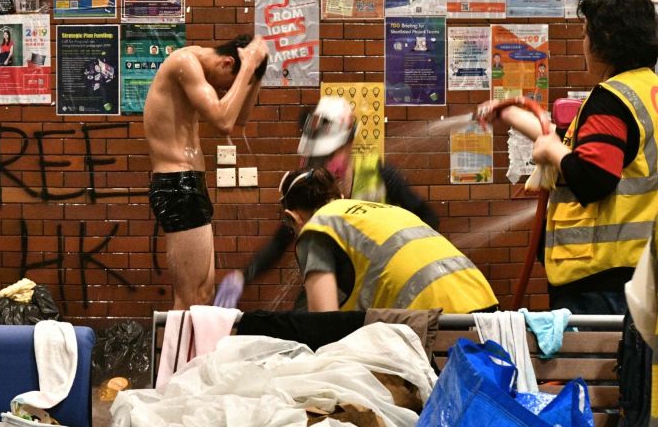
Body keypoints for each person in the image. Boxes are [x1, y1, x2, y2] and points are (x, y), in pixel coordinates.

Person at [475, 0, 658, 315]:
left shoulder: (611, 99)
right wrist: (513, 116)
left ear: (606, 39)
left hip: (600, 278)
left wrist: (552, 154)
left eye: (586, 34)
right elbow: (582, 144)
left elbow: (593, 176)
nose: (583, 45)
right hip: (638, 272)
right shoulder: (646, 91)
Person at [215, 96, 440, 309]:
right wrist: (243, 275)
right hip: (334, 278)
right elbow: (281, 240)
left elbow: (428, 219)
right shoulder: (311, 185)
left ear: (349, 144)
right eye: (318, 157)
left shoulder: (380, 175)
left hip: (377, 282)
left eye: (331, 154)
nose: (323, 163)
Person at [144, 34, 268, 309]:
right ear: (227, 62)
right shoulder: (184, 62)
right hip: (176, 184)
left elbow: (241, 118)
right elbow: (224, 121)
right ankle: (172, 354)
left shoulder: (199, 69)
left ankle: (187, 353)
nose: (225, 93)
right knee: (189, 298)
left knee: (202, 295)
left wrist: (257, 72)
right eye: (228, 84)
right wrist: (248, 65)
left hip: (190, 184)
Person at [280, 167, 498, 313]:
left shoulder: (318, 226)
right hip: (487, 307)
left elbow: (323, 323)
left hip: (437, 320)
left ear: (293, 217)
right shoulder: (380, 210)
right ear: (341, 197)